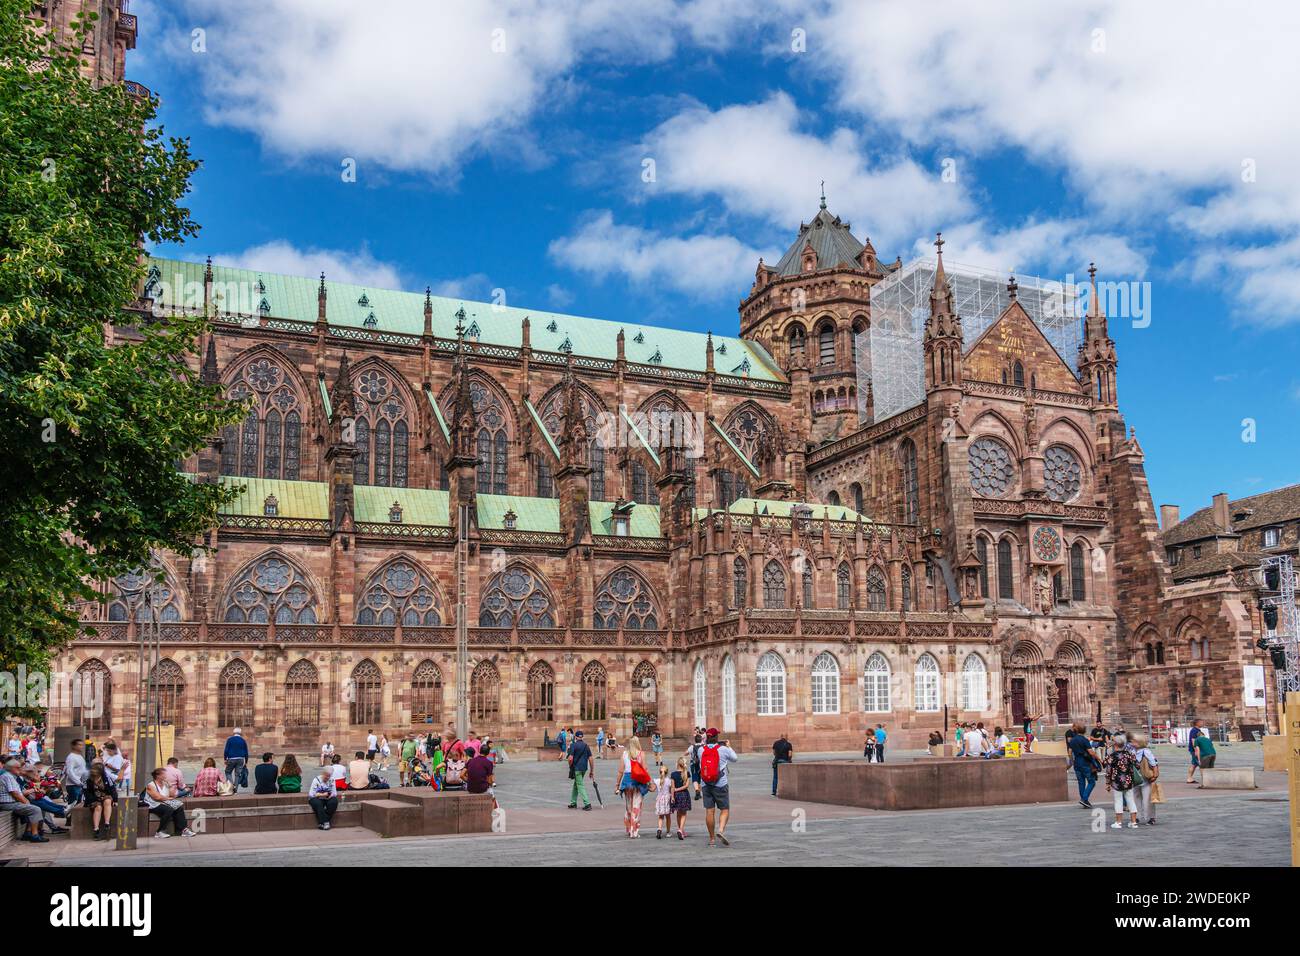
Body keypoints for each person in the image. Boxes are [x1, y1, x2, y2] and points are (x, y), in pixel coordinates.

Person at [699, 729, 738, 847]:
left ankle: (711, 839)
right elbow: (735, 758)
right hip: (720, 783)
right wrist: (729, 747)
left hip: (706, 784)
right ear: (716, 738)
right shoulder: (723, 750)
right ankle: (720, 830)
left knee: (709, 811)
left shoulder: (701, 750)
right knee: (725, 809)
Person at [615, 736, 654, 838]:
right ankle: (634, 831)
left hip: (627, 781)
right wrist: (650, 783)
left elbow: (620, 771)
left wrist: (617, 785)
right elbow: (645, 769)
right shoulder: (641, 754)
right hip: (638, 781)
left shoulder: (624, 754)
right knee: (636, 807)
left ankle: (628, 828)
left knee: (628, 806)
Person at [1, 757, 46, 842]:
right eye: (17, 768)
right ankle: (34, 835)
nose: (20, 769)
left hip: (12, 803)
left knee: (34, 807)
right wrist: (26, 802)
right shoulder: (8, 776)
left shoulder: (11, 776)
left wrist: (26, 802)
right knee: (35, 809)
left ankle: (28, 833)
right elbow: (15, 793)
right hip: (8, 804)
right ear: (11, 768)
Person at [143, 767, 194, 838]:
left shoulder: (165, 784)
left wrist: (170, 787)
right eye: (164, 774)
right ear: (158, 776)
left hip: (164, 802)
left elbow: (173, 795)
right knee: (168, 810)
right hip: (153, 804)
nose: (166, 776)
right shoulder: (151, 785)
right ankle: (159, 831)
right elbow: (157, 797)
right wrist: (168, 798)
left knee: (179, 807)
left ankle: (183, 830)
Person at [1103, 735, 1140, 829]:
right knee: (1131, 800)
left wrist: (1107, 783)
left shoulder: (1112, 756)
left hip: (1116, 781)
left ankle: (1118, 822)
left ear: (1114, 744)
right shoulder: (1129, 754)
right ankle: (1134, 822)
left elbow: (1107, 769)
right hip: (1129, 780)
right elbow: (1138, 765)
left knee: (1118, 801)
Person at [1067, 721, 1100, 808]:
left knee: (1081, 782)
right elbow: (1091, 752)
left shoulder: (1072, 740)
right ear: (1084, 730)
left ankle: (1084, 801)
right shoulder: (1084, 740)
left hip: (1077, 762)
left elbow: (1070, 752)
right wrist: (1099, 759)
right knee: (1091, 782)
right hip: (1085, 762)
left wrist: (1072, 761)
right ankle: (1084, 799)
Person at [1130, 733, 1159, 825]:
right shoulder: (1132, 750)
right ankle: (1137, 816)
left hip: (1145, 778)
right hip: (1135, 779)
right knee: (1136, 798)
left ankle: (1151, 817)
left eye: (1133, 741)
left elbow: (1154, 763)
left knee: (1147, 799)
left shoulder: (1146, 751)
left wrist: (1155, 775)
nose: (1131, 742)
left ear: (1139, 743)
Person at [84, 758, 116, 840]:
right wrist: (95, 799)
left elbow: (112, 790)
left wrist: (115, 800)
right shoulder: (89, 780)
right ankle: (96, 829)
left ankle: (107, 824)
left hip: (105, 796)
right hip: (94, 799)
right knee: (98, 807)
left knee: (108, 801)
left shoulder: (106, 778)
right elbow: (87, 793)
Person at [567, 729, 594, 810]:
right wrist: (592, 770)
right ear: (582, 737)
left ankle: (587, 804)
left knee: (580, 785)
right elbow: (591, 758)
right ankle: (573, 802)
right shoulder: (586, 746)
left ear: (575, 737)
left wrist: (570, 766)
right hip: (584, 768)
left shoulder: (573, 745)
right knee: (577, 784)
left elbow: (570, 758)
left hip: (577, 768)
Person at [669, 756, 691, 839]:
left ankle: (680, 829)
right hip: (684, 795)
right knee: (684, 813)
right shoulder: (687, 773)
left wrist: (672, 796)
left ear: (677, 764)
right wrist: (679, 789)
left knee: (678, 813)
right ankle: (681, 829)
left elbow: (672, 787)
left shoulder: (673, 774)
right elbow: (686, 786)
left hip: (676, 795)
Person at [63, 737, 89, 806]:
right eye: (79, 745)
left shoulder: (80, 756)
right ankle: (70, 816)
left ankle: (74, 816)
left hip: (80, 784)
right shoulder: (71, 757)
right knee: (73, 805)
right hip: (73, 785)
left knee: (79, 804)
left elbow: (83, 770)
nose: (81, 746)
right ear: (74, 746)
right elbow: (69, 771)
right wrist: (78, 782)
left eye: (82, 745)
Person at [223, 727, 250, 792]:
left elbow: (226, 750)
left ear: (233, 732)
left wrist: (225, 758)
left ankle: (232, 785)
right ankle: (235, 789)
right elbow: (246, 751)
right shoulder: (243, 740)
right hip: (241, 759)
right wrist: (246, 761)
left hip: (231, 758)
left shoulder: (230, 739)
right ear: (240, 733)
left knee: (228, 772)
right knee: (237, 775)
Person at [654, 763, 673, 838]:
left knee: (660, 816)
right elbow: (671, 790)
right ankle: (668, 832)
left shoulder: (657, 781)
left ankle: (659, 829)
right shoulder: (669, 781)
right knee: (668, 817)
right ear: (667, 772)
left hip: (659, 799)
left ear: (659, 772)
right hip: (667, 799)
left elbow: (652, 789)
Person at [688, 733, 703, 800]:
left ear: (695, 740)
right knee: (701, 778)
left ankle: (697, 791)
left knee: (695, 778)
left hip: (693, 764)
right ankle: (700, 792)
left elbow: (685, 753)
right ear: (701, 740)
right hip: (702, 764)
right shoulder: (703, 746)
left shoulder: (692, 746)